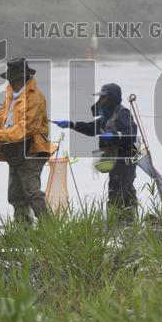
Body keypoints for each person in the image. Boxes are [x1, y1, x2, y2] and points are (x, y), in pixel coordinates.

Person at [55, 83, 138, 220]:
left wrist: (114, 135)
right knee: (114, 190)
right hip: (114, 158)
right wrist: (71, 124)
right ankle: (119, 223)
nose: (101, 100)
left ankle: (127, 223)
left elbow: (132, 133)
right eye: (101, 97)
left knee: (123, 191)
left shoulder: (123, 113)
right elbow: (90, 128)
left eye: (104, 97)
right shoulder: (106, 116)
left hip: (125, 159)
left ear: (111, 98)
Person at [0, 58, 53, 223]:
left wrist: (0, 134)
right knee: (15, 194)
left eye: (11, 79)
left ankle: (49, 229)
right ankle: (23, 230)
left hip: (32, 150)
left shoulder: (34, 97)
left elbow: (26, 128)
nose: (9, 82)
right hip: (15, 150)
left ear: (20, 78)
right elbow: (5, 115)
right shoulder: (11, 94)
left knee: (32, 192)